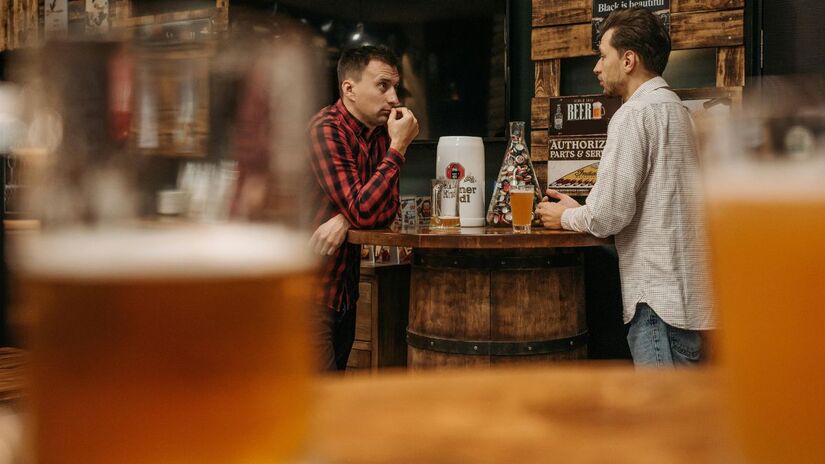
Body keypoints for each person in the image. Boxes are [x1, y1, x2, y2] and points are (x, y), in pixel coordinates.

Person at [535, 8, 713, 366]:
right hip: (693, 304)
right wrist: (576, 209)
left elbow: (608, 216)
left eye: (603, 56)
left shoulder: (633, 114)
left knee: (661, 419)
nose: (596, 68)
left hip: (656, 304)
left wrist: (566, 217)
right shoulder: (679, 112)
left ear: (628, 59)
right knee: (685, 419)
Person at [307, 45, 419, 371]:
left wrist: (344, 220)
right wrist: (399, 147)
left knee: (333, 398)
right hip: (308, 295)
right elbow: (366, 211)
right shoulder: (326, 129)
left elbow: (387, 210)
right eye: (383, 86)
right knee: (318, 405)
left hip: (343, 294)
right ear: (349, 89)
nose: (394, 98)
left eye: (395, 87)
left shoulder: (378, 136)